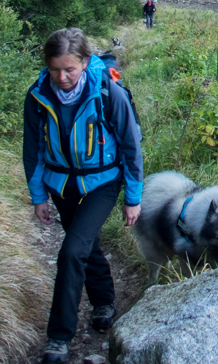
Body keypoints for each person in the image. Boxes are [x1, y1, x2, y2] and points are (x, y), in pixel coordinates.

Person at [23, 28, 143, 364]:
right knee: (85, 245)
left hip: (102, 183)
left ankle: (58, 338)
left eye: (70, 70)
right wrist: (38, 197)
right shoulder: (37, 95)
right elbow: (32, 150)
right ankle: (104, 302)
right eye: (54, 70)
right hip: (60, 184)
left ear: (85, 62)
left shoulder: (107, 91)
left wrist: (132, 197)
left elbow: (131, 147)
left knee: (72, 250)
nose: (62, 77)